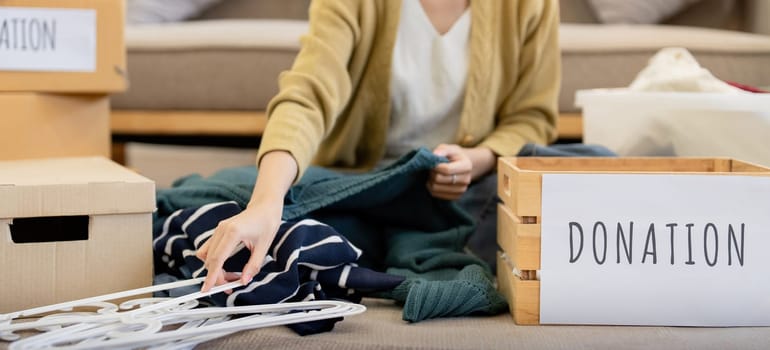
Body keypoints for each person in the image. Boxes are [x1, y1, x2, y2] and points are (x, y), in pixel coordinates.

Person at [198, 0, 560, 292]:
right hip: (362, 185)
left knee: (558, 184)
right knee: (231, 198)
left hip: (466, 192)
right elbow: (308, 93)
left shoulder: (531, 5)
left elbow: (532, 117)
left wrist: (476, 160)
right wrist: (266, 202)